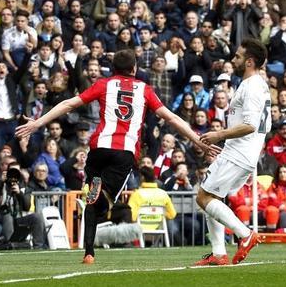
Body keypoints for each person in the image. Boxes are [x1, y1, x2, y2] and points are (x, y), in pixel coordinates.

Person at [15, 49, 217, 264]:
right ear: (134, 69)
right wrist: (197, 141)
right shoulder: (145, 90)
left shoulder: (104, 84)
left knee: (92, 199)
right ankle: (100, 203)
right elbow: (172, 118)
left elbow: (69, 104)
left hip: (98, 152)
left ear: (113, 69)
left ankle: (89, 252)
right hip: (124, 153)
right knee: (104, 203)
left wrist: (37, 123)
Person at [195, 38, 271, 266]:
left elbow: (250, 124)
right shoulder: (254, 84)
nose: (233, 59)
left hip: (239, 152)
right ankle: (218, 253)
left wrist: (219, 135)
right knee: (211, 196)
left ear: (249, 62)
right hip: (241, 152)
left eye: (237, 56)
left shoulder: (253, 86)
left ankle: (245, 234)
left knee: (203, 197)